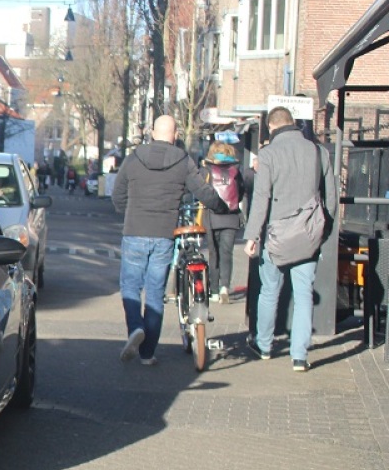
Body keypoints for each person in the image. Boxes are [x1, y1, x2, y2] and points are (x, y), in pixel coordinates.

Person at [111, 115, 229, 366]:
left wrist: (128, 212)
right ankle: (147, 353)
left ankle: (135, 328)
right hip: (164, 235)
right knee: (155, 294)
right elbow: (203, 191)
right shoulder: (183, 162)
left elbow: (117, 194)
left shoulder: (134, 159)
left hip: (134, 231)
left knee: (131, 286)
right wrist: (220, 206)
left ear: (152, 132)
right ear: (175, 135)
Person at [242, 106, 334, 372]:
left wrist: (252, 236)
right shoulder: (318, 151)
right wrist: (323, 229)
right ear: (293, 124)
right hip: (308, 234)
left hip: (276, 236)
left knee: (270, 290)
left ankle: (264, 346)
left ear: (271, 127)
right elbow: (330, 196)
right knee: (304, 293)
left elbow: (262, 199)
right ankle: (299, 356)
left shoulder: (268, 154)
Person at [201, 141, 249, 304]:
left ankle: (213, 291)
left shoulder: (207, 169)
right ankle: (225, 288)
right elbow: (241, 191)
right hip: (231, 217)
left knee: (213, 254)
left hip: (211, 216)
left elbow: (201, 191)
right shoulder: (235, 170)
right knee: (226, 253)